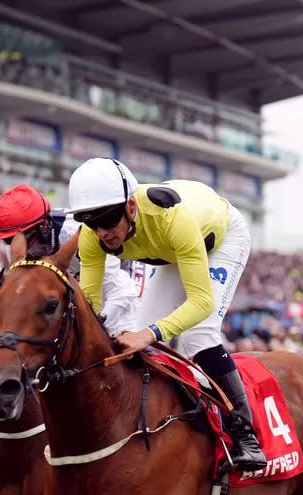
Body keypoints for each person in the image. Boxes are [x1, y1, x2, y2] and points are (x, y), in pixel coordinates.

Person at [68, 157, 266, 471]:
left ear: (131, 207)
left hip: (220, 239)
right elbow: (90, 305)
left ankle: (245, 433)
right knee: (141, 337)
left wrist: (149, 333)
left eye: (108, 220)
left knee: (196, 336)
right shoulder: (92, 237)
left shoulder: (173, 219)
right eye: (92, 223)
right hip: (172, 251)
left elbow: (201, 302)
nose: (102, 232)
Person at [0, 184, 139, 337]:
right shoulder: (14, 248)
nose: (16, 245)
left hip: (126, 276)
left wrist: (94, 330)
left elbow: (119, 291)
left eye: (23, 237)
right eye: (9, 240)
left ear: (44, 226)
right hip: (83, 284)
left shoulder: (76, 232)